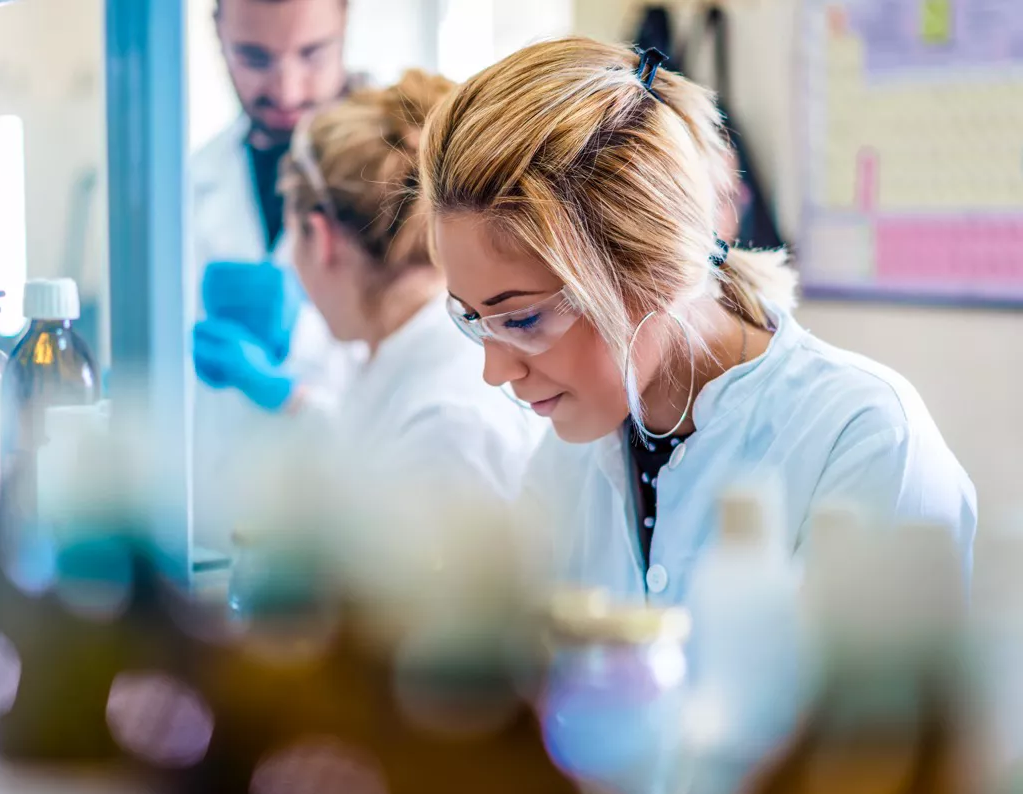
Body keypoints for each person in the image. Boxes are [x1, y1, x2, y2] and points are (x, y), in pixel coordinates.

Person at [417, 38, 976, 604]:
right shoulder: (567, 460)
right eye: (472, 319)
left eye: (523, 319)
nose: (493, 371)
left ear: (653, 269)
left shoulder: (862, 439)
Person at [196, 70, 540, 502]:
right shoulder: (399, 351)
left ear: (318, 238)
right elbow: (362, 453)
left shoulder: (447, 423)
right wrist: (290, 400)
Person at [191, 0, 360, 550]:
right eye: (255, 58)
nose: (287, 90)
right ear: (219, 35)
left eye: (312, 54)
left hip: (351, 523)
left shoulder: (407, 169)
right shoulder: (192, 180)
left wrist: (297, 355)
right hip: (222, 523)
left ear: (345, 23)